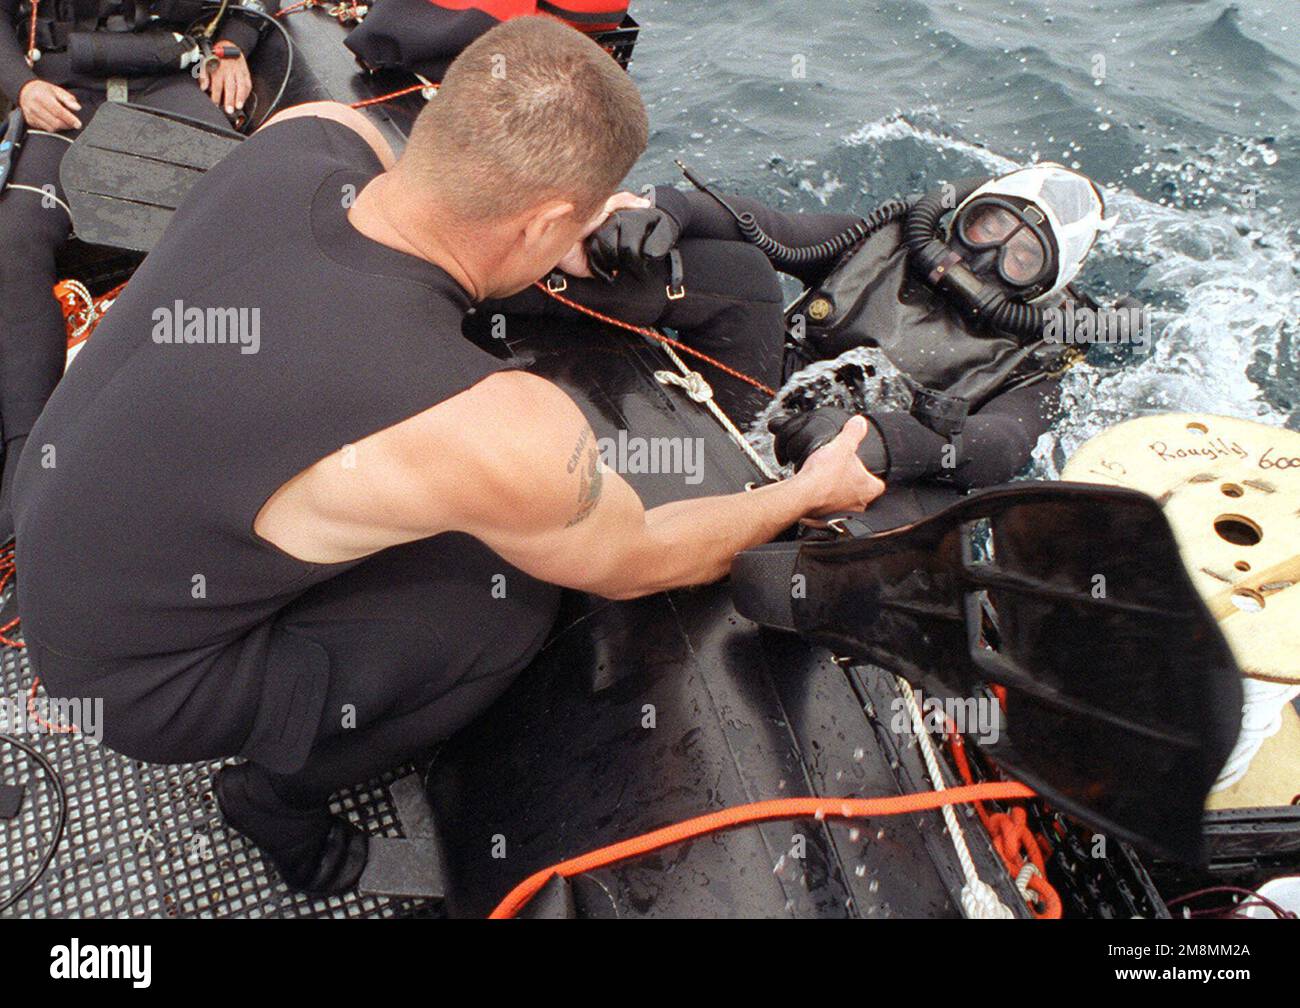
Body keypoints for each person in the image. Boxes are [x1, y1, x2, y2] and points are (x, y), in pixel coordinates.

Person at [14, 16, 880, 895]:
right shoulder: (492, 430)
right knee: (500, 611)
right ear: (543, 219)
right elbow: (644, 559)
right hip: (141, 683)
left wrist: (552, 235)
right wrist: (805, 490)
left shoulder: (309, 136)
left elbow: (406, 219)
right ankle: (275, 802)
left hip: (58, 536)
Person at [515, 161, 1114, 527]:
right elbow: (765, 226)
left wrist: (882, 441)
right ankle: (518, 283)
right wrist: (662, 212)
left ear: (1043, 286)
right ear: (964, 213)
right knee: (740, 272)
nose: (983, 256)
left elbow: (1004, 445)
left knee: (922, 515)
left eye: (1020, 257)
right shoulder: (888, 241)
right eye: (988, 226)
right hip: (755, 407)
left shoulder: (1041, 352)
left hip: (865, 476)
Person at [0, 0, 278, 543]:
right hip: (63, 92)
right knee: (12, 237)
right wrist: (22, 86)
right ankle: (26, 451)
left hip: (170, 77)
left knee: (230, 221)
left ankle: (191, 441)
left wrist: (233, 46)